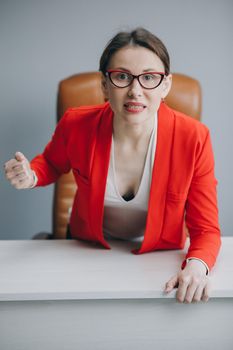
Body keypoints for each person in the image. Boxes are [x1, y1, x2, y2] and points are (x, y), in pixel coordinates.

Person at [4, 27, 221, 303]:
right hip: (88, 251)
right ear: (105, 85)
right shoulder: (77, 124)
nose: (135, 91)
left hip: (158, 258)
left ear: (165, 85)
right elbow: (50, 163)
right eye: (121, 76)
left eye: (149, 78)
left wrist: (197, 265)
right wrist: (32, 175)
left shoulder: (194, 138)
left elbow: (206, 229)